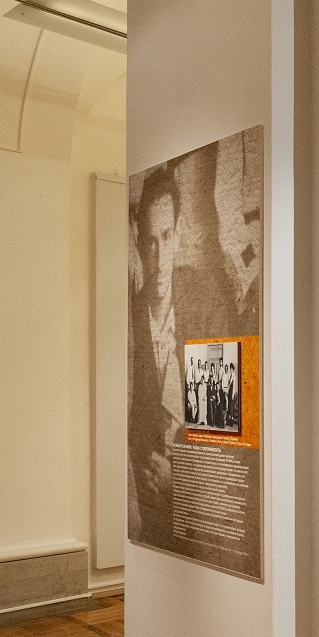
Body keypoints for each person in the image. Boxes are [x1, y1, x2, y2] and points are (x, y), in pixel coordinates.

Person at [127, 167, 183, 543]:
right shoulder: (130, 315)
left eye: (165, 237)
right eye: (150, 241)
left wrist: (180, 477)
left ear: (178, 233)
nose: (159, 258)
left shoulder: (202, 307)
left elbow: (228, 425)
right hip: (146, 505)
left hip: (194, 504)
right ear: (138, 241)